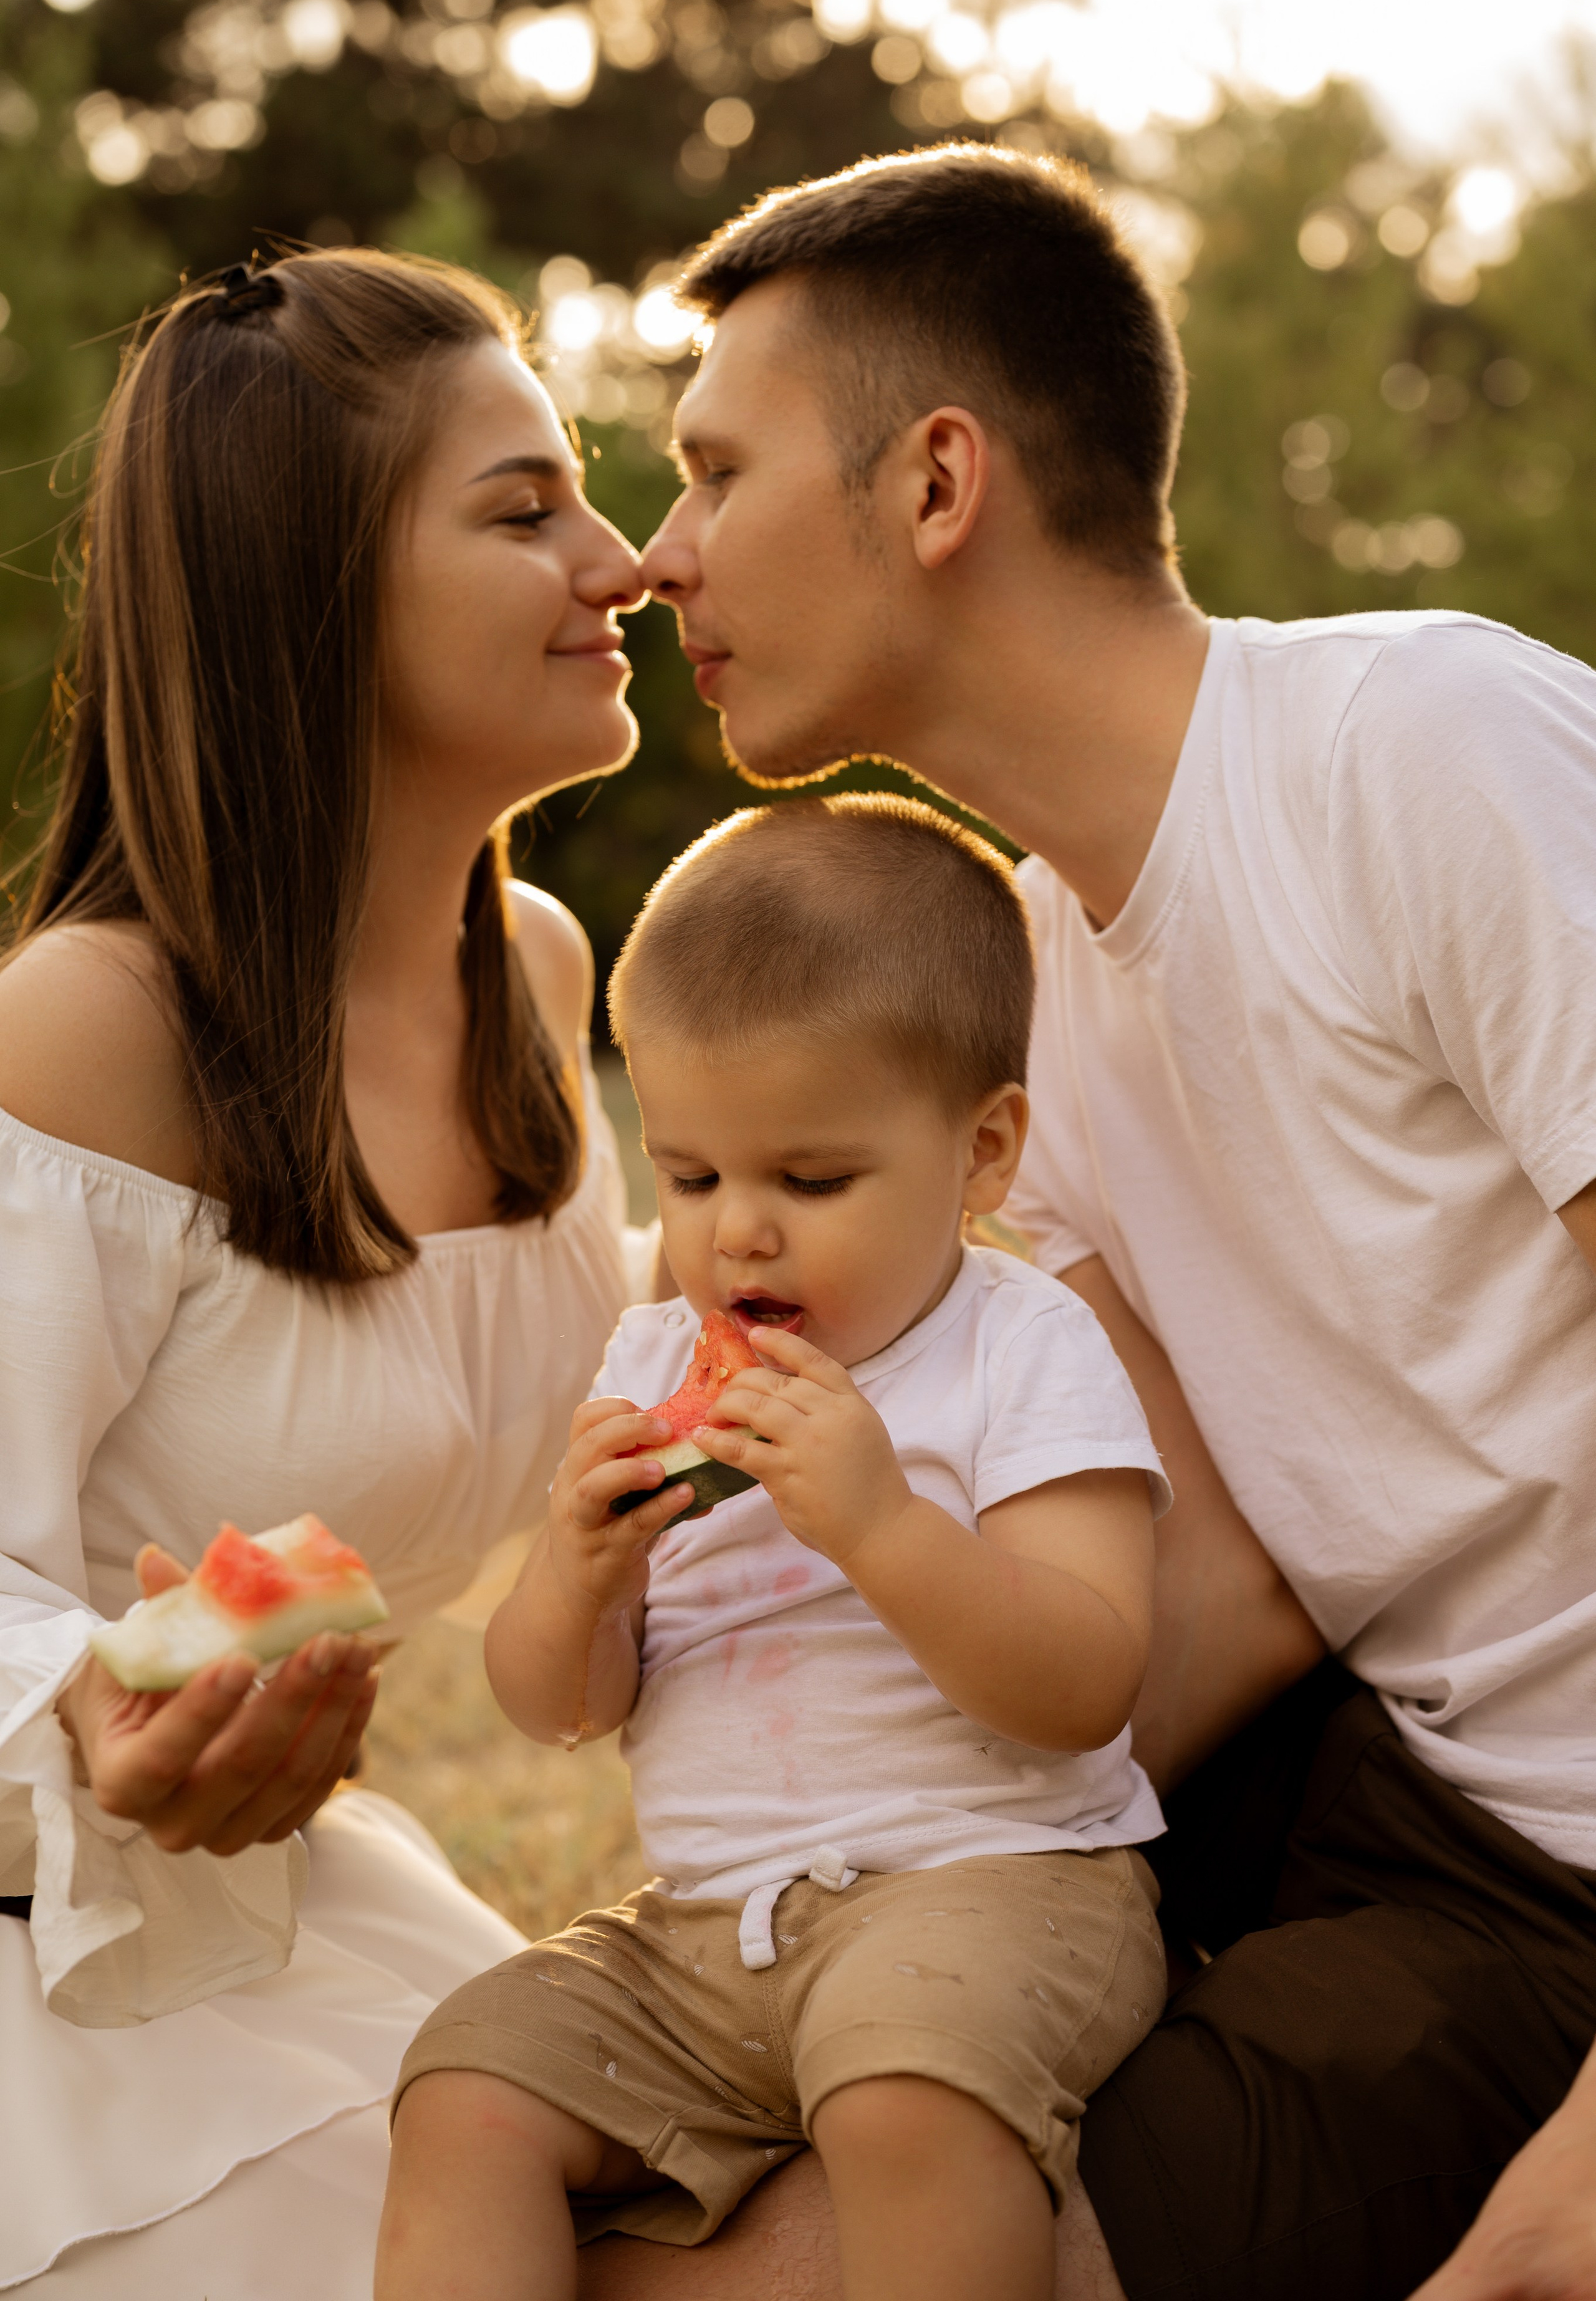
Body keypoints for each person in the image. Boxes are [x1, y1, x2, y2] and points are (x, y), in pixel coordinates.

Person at [617, 146, 1596, 2301]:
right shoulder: (1021, 1011)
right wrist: (801, 1900)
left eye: (713, 468)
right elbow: (1221, 1571)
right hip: (1378, 1793)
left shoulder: (1412, 750)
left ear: (938, 480)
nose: (656, 555)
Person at [0, 248, 650, 2297]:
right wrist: (82, 1702)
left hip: (293, 1901)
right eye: (523, 507)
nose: (619, 559)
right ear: (313, 587)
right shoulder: (88, 1027)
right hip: (59, 1980)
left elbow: (581, 1378)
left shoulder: (535, 974)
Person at [377, 796, 1171, 2301]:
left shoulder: (1019, 1345)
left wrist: (879, 1527)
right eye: (688, 1177)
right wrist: (577, 1578)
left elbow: (1086, 1678)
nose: (737, 1235)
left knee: (902, 2098)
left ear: (981, 1150)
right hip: (702, 1933)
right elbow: (553, 1704)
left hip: (993, 1884)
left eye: (808, 1182)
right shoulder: (650, 1356)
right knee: (463, 2084)